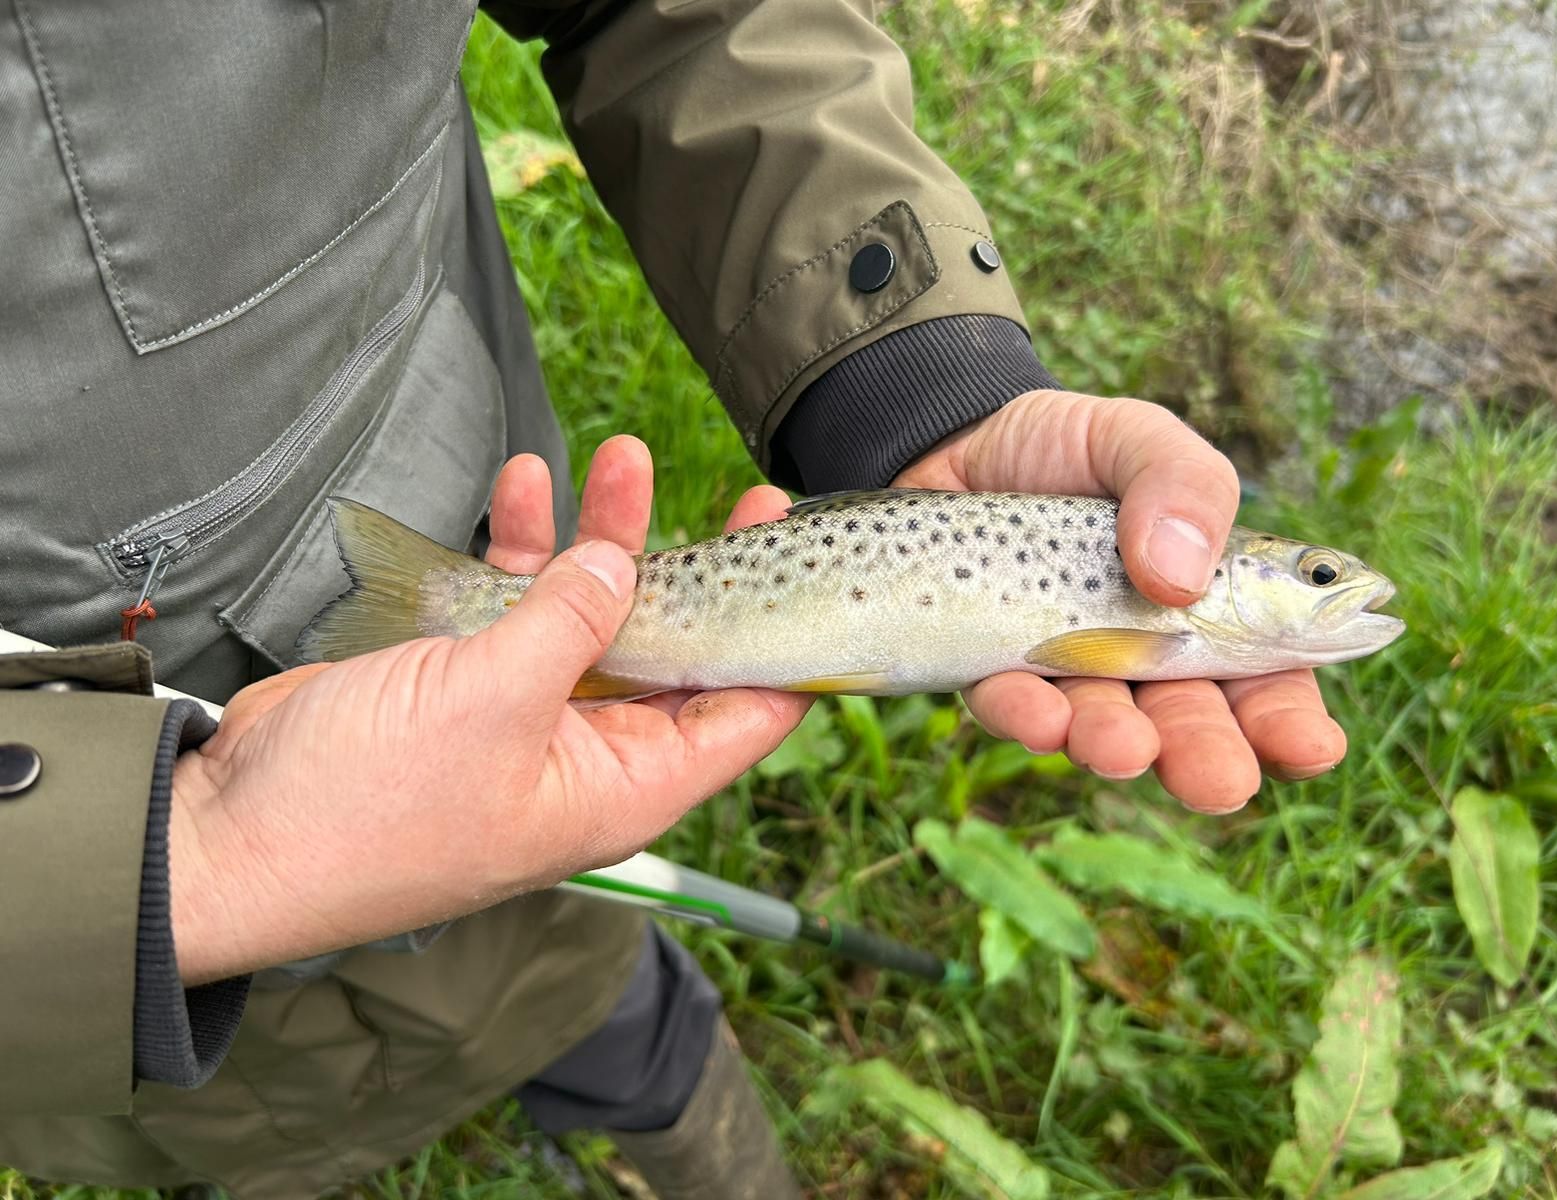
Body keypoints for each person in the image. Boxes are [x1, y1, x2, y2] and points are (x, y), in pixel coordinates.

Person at [0, 2, 1349, 1196]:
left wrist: (917, 385)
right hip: (91, 964)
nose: (1343, 596)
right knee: (224, 1109)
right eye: (1325, 580)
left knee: (592, 986)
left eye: (1323, 578)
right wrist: (180, 871)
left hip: (486, 622)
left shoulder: (1154, 600)